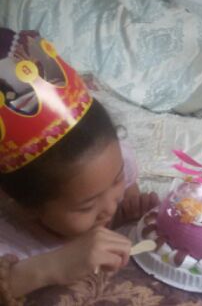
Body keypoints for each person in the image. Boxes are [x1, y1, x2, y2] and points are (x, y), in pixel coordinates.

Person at [0, 28, 159, 302]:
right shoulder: (10, 243)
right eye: (87, 206)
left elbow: (121, 193)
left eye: (117, 179)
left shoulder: (113, 161)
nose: (110, 206)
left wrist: (127, 211)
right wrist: (50, 267)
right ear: (28, 209)